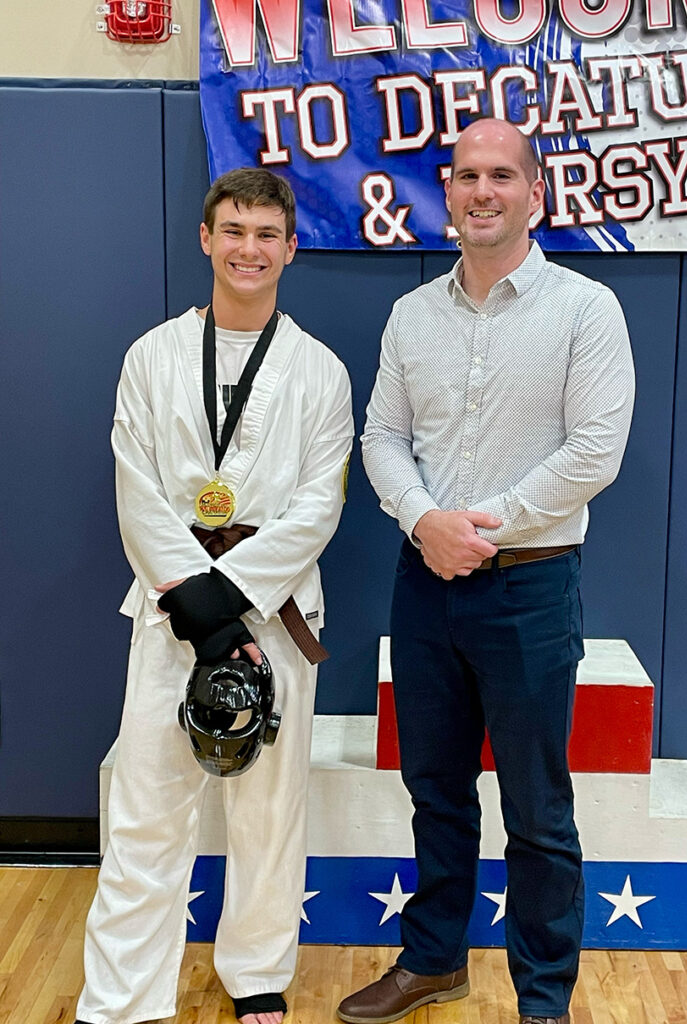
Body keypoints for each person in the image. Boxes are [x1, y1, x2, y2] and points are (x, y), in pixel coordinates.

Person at [338, 119, 635, 1024]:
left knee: (539, 810)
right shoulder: (411, 316)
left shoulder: (586, 310)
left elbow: (596, 453)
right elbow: (382, 436)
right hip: (425, 581)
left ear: (534, 193)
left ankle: (544, 999)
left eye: (501, 175)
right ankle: (434, 961)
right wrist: (425, 522)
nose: (482, 191)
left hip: (530, 588)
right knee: (435, 787)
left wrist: (482, 526)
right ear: (450, 192)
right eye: (466, 175)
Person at [75, 168, 353, 1024]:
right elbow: (137, 489)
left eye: (267, 235)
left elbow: (319, 505)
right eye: (233, 230)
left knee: (269, 809)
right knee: (147, 806)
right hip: (171, 613)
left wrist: (231, 597)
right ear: (206, 238)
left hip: (274, 611)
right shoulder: (151, 356)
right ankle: (121, 997)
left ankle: (256, 974)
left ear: (292, 248)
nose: (249, 249)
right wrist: (194, 604)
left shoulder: (321, 371)